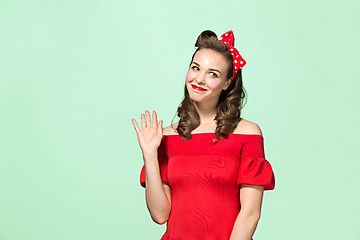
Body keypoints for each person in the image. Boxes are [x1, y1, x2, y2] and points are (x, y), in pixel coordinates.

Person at [131, 30, 275, 240]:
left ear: (227, 83)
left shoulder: (248, 133)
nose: (199, 79)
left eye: (213, 74)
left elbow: (250, 214)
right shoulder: (165, 137)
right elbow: (160, 215)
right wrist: (149, 154)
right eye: (196, 68)